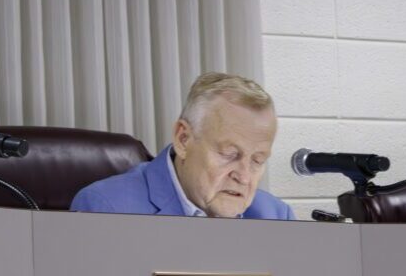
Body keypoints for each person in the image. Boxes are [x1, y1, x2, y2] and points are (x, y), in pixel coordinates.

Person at [70, 72, 294, 220]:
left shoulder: (276, 216)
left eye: (257, 160)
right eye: (230, 154)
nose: (244, 177)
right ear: (183, 139)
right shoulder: (107, 209)